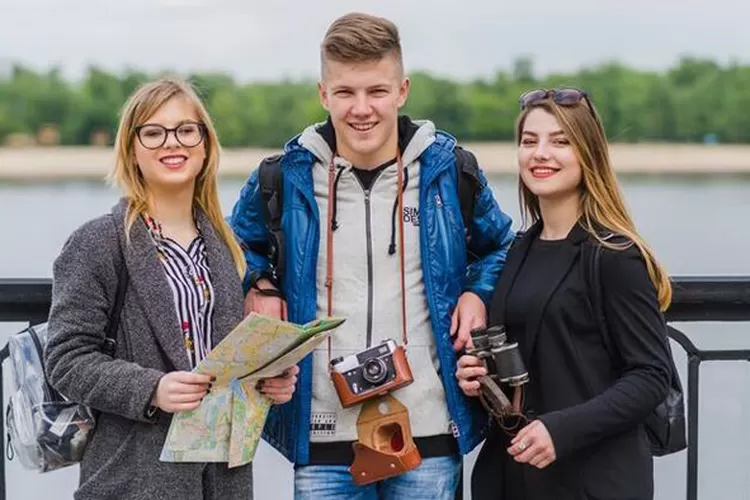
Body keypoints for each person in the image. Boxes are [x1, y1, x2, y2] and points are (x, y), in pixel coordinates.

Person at [229, 12, 515, 500]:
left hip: (428, 432)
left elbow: (502, 247)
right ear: (324, 94)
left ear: (402, 91)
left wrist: (477, 291)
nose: (361, 108)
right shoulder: (284, 175)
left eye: (376, 91)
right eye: (345, 93)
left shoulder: (449, 170)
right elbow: (234, 247)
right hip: (320, 434)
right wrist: (260, 284)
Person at [43, 78, 296, 500]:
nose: (171, 143)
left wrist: (268, 381)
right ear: (132, 150)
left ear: (204, 144)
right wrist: (152, 389)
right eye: (153, 132)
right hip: (134, 477)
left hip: (223, 480)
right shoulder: (98, 242)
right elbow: (66, 360)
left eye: (185, 130)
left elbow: (223, 361)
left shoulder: (226, 245)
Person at [456, 88, 674, 500]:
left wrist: (561, 430)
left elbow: (651, 376)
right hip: (512, 478)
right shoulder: (520, 248)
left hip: (592, 478)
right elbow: (537, 364)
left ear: (587, 154)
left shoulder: (614, 255)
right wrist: (482, 381)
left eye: (560, 142)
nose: (540, 153)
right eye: (529, 141)